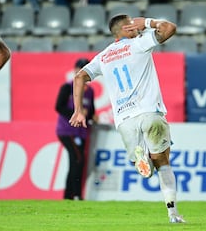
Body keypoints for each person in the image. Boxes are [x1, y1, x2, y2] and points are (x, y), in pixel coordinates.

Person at [69, 14, 185, 223]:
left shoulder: (103, 57)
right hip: (150, 113)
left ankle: (141, 159)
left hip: (124, 121)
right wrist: (150, 22)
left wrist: (78, 110)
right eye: (133, 25)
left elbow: (79, 77)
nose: (137, 27)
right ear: (126, 29)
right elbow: (170, 28)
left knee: (144, 167)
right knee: (164, 163)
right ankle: (173, 213)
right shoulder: (139, 44)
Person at [55, 58, 96, 200]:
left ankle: (70, 196)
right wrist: (76, 114)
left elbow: (91, 111)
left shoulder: (90, 91)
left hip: (82, 132)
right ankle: (75, 194)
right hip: (67, 130)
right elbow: (59, 107)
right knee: (78, 159)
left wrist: (88, 114)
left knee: (77, 161)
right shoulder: (67, 87)